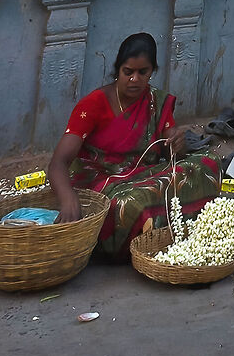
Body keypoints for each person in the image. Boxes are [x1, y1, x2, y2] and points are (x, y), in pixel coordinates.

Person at [46, 32, 223, 259]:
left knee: (208, 162)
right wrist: (68, 199)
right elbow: (58, 163)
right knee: (131, 204)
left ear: (152, 72)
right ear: (117, 70)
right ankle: (161, 228)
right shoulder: (93, 104)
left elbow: (174, 151)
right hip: (101, 184)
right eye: (128, 72)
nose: (135, 80)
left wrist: (178, 143)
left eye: (143, 73)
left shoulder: (155, 102)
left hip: (140, 177)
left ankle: (163, 227)